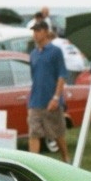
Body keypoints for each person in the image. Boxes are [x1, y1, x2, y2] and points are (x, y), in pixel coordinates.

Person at [27, 19, 68, 161]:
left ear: (45, 32)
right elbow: (34, 78)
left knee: (57, 133)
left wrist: (56, 97)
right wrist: (30, 101)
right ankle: (34, 162)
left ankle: (66, 158)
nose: (35, 34)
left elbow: (62, 75)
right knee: (34, 133)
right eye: (34, 31)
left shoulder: (55, 52)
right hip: (35, 101)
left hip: (51, 101)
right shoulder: (33, 54)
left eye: (38, 31)